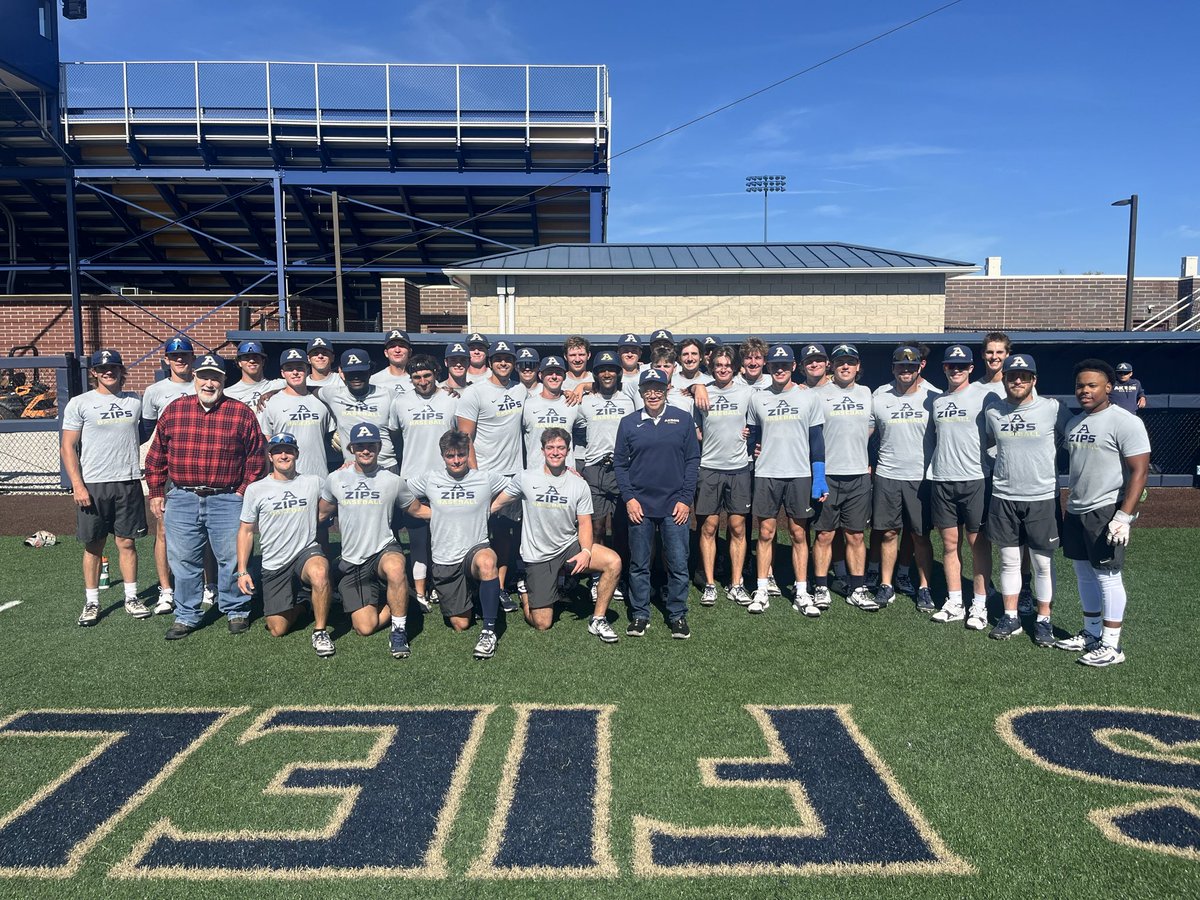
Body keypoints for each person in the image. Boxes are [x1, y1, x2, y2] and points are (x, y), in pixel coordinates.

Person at [145, 353, 266, 640]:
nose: (209, 383)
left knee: (232, 559)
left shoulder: (240, 412)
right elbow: (156, 455)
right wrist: (156, 492)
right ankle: (186, 614)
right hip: (183, 498)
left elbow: (256, 457)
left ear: (225, 380)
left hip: (226, 498)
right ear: (195, 378)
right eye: (204, 376)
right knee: (184, 560)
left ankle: (236, 608)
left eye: (215, 377)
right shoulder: (175, 410)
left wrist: (241, 492)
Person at [1056, 359, 1151, 666]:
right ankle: (1091, 632)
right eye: (1080, 385)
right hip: (1077, 507)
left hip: (1106, 510)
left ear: (1108, 387)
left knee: (1108, 576)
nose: (1085, 390)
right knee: (1083, 573)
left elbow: (1140, 471)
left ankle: (1112, 646)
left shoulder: (1125, 421)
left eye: (1092, 385)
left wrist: (1124, 516)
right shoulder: (1074, 422)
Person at [497, 427, 622, 642]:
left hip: (569, 546)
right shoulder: (526, 478)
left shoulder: (578, 484)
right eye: (551, 448)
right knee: (542, 623)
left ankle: (598, 619)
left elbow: (584, 524)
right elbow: (498, 502)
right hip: (538, 555)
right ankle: (527, 591)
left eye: (561, 448)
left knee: (614, 561)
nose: (555, 452)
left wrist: (585, 551)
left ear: (568, 450)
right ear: (542, 450)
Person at [983, 354, 1072, 644]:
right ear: (1004, 379)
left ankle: (1043, 620)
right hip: (1004, 495)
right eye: (1012, 376)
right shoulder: (994, 411)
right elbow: (988, 445)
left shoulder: (1052, 408)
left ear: (1034, 379)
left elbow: (1077, 438)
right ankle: (1011, 617)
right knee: (1009, 561)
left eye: (1024, 376)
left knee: (1042, 563)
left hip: (1041, 496)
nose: (1017, 381)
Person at [62, 349, 149, 626]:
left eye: (113, 367)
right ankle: (92, 602)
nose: (108, 372)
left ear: (122, 371)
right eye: (102, 369)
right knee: (93, 546)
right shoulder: (80, 403)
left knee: (127, 542)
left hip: (128, 481)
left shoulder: (135, 401)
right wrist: (78, 485)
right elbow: (68, 447)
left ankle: (131, 598)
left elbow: (144, 431)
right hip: (94, 485)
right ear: (94, 373)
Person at [406, 431, 511, 660]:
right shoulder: (430, 479)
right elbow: (399, 491)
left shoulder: (484, 478)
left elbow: (519, 486)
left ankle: (489, 630)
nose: (456, 460)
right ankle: (477, 592)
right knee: (460, 623)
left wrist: (493, 507)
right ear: (442, 455)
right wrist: (422, 511)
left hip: (476, 551)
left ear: (468, 453)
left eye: (461, 455)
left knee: (487, 561)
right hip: (446, 559)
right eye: (450, 455)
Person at [613, 369, 700, 639]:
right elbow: (620, 463)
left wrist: (686, 499)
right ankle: (640, 614)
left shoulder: (683, 420)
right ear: (640, 392)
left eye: (658, 389)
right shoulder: (628, 423)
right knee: (639, 563)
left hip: (675, 505)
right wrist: (629, 499)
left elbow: (692, 461)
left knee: (677, 562)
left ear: (666, 390)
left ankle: (677, 615)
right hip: (640, 505)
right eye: (647, 389)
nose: (653, 393)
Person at [318, 423, 414, 658]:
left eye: (371, 445)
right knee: (365, 627)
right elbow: (321, 514)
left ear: (379, 447)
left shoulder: (393, 480)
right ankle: (399, 596)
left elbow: (417, 509)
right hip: (353, 560)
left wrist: (455, 509)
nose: (366, 450)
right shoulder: (336, 478)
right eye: (360, 446)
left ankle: (399, 630)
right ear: (351, 448)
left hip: (383, 549)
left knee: (395, 566)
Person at [746, 344, 827, 616]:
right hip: (767, 473)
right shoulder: (758, 398)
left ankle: (802, 592)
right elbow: (753, 438)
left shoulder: (808, 398)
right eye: (774, 365)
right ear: (768, 368)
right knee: (766, 533)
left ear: (795, 367)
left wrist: (819, 478)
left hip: (799, 474)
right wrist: (753, 449)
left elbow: (816, 440)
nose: (779, 369)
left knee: (798, 534)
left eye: (784, 365)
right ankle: (761, 589)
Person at [236, 433, 334, 657]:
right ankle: (305, 603)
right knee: (277, 629)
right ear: (270, 456)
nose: (284, 455)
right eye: (278, 451)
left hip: (306, 551)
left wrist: (346, 467)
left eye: (289, 451)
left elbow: (333, 496)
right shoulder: (256, 489)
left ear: (297, 454)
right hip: (274, 561)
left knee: (320, 571)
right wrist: (242, 570)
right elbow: (246, 530)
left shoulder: (313, 482)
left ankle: (320, 631)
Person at [929, 344, 997, 628]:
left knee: (977, 543)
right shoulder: (937, 401)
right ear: (944, 368)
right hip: (942, 478)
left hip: (974, 479)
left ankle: (979, 604)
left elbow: (996, 436)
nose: (955, 370)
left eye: (961, 366)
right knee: (949, 543)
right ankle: (955, 601)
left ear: (971, 368)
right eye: (950, 366)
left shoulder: (985, 397)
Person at [140, 335, 208, 615]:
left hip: (200, 466)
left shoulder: (205, 383)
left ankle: (207, 585)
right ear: (166, 359)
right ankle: (166, 589)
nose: (180, 359)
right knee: (164, 529)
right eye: (174, 355)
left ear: (193, 358)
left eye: (185, 355)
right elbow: (145, 432)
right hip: (169, 469)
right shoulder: (155, 391)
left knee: (205, 528)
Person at [870, 344, 940, 610]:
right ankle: (886, 585)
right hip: (888, 474)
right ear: (893, 368)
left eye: (911, 366)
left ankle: (924, 587)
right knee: (888, 532)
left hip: (920, 477)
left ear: (920, 367)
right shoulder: (880, 396)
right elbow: (863, 431)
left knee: (920, 535)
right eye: (901, 366)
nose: (906, 371)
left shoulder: (933, 397)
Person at [456, 339, 526, 601]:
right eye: (498, 358)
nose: (503, 362)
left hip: (512, 475)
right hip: (485, 474)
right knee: (477, 533)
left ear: (514, 363)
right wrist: (474, 475)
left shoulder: (521, 390)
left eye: (508, 358)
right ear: (490, 361)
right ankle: (472, 583)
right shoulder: (475, 393)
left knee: (506, 535)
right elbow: (465, 438)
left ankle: (499, 586)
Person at [811, 343, 877, 611]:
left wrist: (855, 447)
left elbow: (871, 426)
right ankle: (821, 587)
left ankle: (857, 588)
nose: (845, 366)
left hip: (859, 475)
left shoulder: (866, 393)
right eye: (840, 363)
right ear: (832, 366)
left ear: (858, 366)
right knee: (825, 535)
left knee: (855, 535)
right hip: (828, 475)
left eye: (850, 362)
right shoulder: (817, 394)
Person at [392, 354, 458, 612]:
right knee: (418, 540)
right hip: (413, 479)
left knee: (444, 539)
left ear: (436, 374)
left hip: (445, 478)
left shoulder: (452, 400)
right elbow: (394, 435)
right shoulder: (400, 402)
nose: (422, 381)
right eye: (417, 377)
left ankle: (441, 586)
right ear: (411, 379)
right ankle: (420, 592)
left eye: (427, 375)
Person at [694, 346, 754, 608]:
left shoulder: (747, 392)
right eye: (718, 364)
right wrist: (699, 386)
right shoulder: (702, 392)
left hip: (739, 468)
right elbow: (695, 428)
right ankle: (709, 584)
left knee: (738, 527)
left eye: (727, 365)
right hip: (709, 468)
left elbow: (760, 418)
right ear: (711, 366)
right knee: (708, 527)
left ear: (735, 367)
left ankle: (736, 583)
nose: (722, 369)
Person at [576, 350, 637, 596]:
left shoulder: (629, 399)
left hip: (622, 469)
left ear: (619, 373)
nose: (607, 374)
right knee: (597, 527)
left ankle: (618, 575)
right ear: (596, 375)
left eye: (611, 369)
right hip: (594, 468)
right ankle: (595, 576)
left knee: (622, 527)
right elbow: (575, 429)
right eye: (602, 370)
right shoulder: (586, 401)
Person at [320, 348, 400, 472]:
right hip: (353, 466)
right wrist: (280, 385)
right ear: (342, 373)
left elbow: (396, 431)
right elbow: (305, 388)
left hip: (386, 465)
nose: (356, 377)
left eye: (361, 372)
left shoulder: (389, 395)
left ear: (370, 372)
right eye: (351, 373)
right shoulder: (332, 394)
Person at [262, 348, 334, 478]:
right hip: (285, 478)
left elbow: (331, 438)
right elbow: (267, 444)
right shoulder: (271, 403)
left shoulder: (322, 401)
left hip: (319, 476)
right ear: (283, 373)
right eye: (289, 368)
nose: (295, 372)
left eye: (299, 368)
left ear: (307, 370)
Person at [522, 354, 579, 467]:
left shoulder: (573, 403)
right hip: (536, 472)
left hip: (566, 472)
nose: (554, 376)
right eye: (549, 373)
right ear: (540, 375)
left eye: (558, 373)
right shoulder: (527, 405)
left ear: (564, 376)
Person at [223, 340, 284, 417]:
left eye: (256, 357)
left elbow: (303, 385)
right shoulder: (228, 393)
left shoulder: (278, 385)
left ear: (263, 361)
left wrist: (274, 392)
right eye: (246, 357)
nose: (251, 361)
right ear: (239, 362)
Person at [370, 329, 413, 397]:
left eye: (402, 346)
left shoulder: (421, 379)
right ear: (386, 353)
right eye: (392, 346)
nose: (397, 350)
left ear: (410, 352)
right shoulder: (374, 380)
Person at [674, 337, 711, 411]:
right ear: (679, 358)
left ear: (700, 357)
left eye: (694, 354)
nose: (690, 359)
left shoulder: (711, 382)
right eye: (685, 354)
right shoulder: (670, 382)